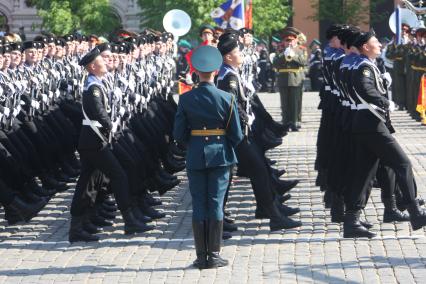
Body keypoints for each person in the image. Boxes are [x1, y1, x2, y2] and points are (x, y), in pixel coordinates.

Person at [343, 30, 426, 238]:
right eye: (375, 42)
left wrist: (383, 85)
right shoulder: (363, 66)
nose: (380, 44)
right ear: (365, 47)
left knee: (364, 174)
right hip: (372, 125)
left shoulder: (367, 64)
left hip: (366, 124)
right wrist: (384, 100)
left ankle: (351, 221)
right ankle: (415, 211)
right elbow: (364, 88)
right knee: (403, 164)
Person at [69, 47, 152, 242]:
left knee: (88, 183)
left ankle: (80, 225)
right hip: (94, 141)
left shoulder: (96, 83)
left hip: (94, 141)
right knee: (118, 175)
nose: (105, 63)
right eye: (101, 61)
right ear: (92, 66)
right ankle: (129, 220)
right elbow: (98, 111)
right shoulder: (93, 87)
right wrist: (110, 124)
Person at [173, 45, 243, 269]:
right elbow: (237, 135)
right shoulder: (226, 98)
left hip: (195, 155)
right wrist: (223, 145)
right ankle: (213, 254)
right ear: (215, 71)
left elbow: (178, 134)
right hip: (220, 156)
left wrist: (193, 144)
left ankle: (201, 255)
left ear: (196, 71)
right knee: (216, 203)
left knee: (199, 203)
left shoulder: (186, 99)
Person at [273, 27, 308, 131]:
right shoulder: (280, 50)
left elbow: (303, 62)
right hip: (283, 79)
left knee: (295, 102)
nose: (289, 42)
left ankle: (295, 122)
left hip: (296, 79)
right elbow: (275, 63)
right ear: (283, 41)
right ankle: (286, 122)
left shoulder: (301, 50)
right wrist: (284, 55)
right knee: (284, 103)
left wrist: (293, 56)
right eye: (286, 40)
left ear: (296, 40)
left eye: (291, 40)